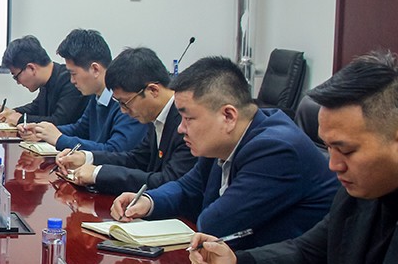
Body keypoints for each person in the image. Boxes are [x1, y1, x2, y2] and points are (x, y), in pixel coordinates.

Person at [190, 52, 398, 264]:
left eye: (346, 150)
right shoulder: (358, 192)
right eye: (328, 147)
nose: (333, 165)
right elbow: (307, 252)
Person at [112, 56, 337, 248]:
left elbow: (216, 224)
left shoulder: (276, 150)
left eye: (188, 118)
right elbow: (187, 188)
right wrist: (149, 201)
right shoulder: (225, 141)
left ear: (228, 116)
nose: (180, 128)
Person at [56, 47, 197, 194]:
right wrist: (87, 158)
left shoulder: (185, 122)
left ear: (153, 90)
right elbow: (137, 159)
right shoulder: (156, 115)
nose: (123, 111)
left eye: (125, 103)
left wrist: (97, 173)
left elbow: (168, 181)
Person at [22, 29, 146, 152]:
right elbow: (80, 129)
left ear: (95, 69)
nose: (72, 81)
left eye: (73, 74)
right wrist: (42, 131)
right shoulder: (97, 96)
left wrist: (59, 139)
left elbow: (116, 150)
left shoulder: (127, 101)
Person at [0, 35, 87, 125]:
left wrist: (21, 119)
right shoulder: (47, 81)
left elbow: (59, 121)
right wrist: (12, 112)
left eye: (16, 76)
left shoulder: (70, 80)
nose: (18, 82)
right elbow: (36, 107)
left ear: (31, 68)